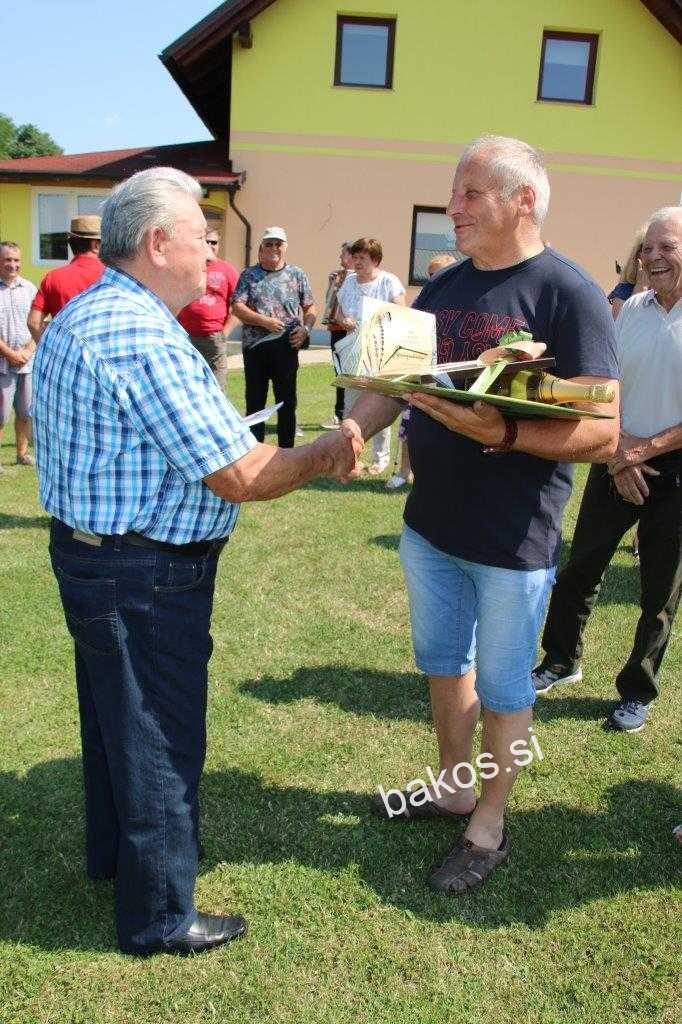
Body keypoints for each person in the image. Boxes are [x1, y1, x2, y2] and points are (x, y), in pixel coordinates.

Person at [31, 168, 361, 956]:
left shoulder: (89, 312)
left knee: (117, 722)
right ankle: (158, 916)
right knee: (157, 735)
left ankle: (118, 862)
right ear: (157, 243)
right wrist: (324, 452)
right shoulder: (142, 334)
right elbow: (240, 475)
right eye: (201, 238)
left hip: (96, 558)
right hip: (143, 574)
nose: (213, 253)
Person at [343, 135, 619, 893]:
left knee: (504, 690)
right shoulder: (443, 287)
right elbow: (395, 383)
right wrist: (353, 430)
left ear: (522, 200)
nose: (452, 208)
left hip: (512, 540)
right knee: (443, 665)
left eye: (469, 194)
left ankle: (490, 824)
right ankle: (453, 788)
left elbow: (603, 432)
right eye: (454, 194)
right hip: (430, 527)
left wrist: (503, 433)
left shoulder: (569, 293)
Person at [533, 207, 682, 734]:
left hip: (673, 467)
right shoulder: (628, 310)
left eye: (667, 247)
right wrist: (620, 452)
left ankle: (637, 691)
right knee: (581, 568)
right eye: (647, 248)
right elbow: (602, 388)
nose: (653, 257)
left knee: (660, 591)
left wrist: (644, 450)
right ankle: (560, 660)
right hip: (616, 456)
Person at [231, 227, 315, 449]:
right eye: (269, 244)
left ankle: (286, 453)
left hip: (287, 346)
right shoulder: (249, 275)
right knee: (255, 403)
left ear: (285, 247)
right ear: (261, 248)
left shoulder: (297, 274)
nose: (274, 248)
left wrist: (306, 329)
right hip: (256, 348)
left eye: (278, 244)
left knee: (287, 403)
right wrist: (263, 321)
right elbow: (237, 307)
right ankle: (253, 452)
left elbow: (310, 307)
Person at [385, 254, 459, 491]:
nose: (434, 278)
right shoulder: (425, 298)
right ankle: (404, 471)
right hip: (420, 374)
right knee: (409, 426)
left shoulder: (462, 299)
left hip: (449, 379)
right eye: (430, 274)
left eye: (439, 273)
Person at [336, 237, 406, 475]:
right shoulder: (349, 282)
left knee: (377, 404)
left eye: (362, 258)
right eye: (354, 257)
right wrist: (344, 320)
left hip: (380, 353)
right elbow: (338, 313)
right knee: (351, 406)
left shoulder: (388, 281)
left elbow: (402, 312)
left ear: (375, 260)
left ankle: (380, 458)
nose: (357, 262)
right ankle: (351, 458)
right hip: (353, 352)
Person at [177, 229, 238, 389]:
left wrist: (225, 333)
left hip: (214, 337)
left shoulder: (227, 270)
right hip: (186, 336)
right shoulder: (188, 267)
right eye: (206, 241)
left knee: (217, 387)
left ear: (219, 245)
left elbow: (238, 306)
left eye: (214, 242)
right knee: (189, 385)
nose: (210, 245)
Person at [27, 216, 104, 341]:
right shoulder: (112, 276)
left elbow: (34, 322)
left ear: (71, 243)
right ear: (96, 245)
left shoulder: (52, 277)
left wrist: (49, 348)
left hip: (64, 350)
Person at [0, 242, 37, 469]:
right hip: (2, 364)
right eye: (7, 260)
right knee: (1, 415)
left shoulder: (30, 289)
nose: (12, 265)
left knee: (25, 413)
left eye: (16, 260)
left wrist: (28, 350)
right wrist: (9, 353)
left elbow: (39, 322)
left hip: (26, 363)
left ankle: (22, 455)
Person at [321, 241, 354, 430]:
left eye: (343, 254)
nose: (340, 257)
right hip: (335, 329)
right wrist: (331, 285)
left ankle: (344, 415)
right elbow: (329, 302)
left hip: (348, 330)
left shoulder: (358, 277)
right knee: (339, 372)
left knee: (348, 373)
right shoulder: (338, 276)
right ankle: (340, 414)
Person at [608, 227, 648, 321]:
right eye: (648, 249)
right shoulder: (624, 291)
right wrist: (641, 287)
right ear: (638, 255)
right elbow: (622, 326)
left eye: (666, 248)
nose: (656, 255)